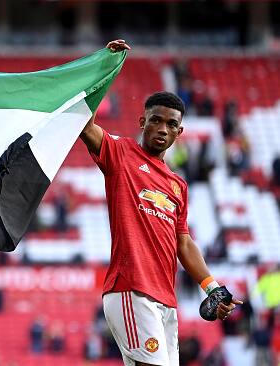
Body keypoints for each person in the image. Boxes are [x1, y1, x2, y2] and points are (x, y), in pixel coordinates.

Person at [78, 39, 242, 366]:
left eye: (170, 124)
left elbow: (183, 241)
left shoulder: (178, 185)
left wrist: (210, 286)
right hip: (131, 290)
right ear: (142, 122)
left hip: (166, 301)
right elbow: (83, 123)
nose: (162, 128)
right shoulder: (121, 154)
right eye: (155, 120)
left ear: (179, 132)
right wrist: (104, 68)